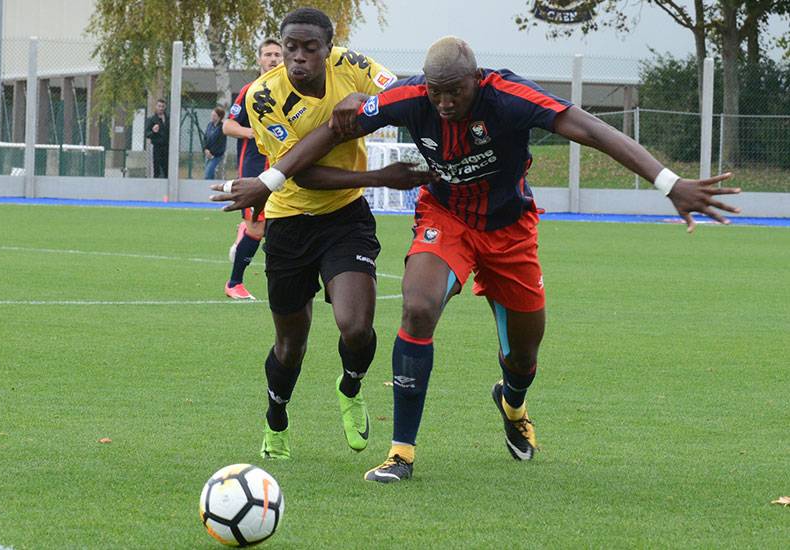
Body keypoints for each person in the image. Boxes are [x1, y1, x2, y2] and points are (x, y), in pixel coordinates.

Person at [212, 36, 742, 481]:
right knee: (417, 308)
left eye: (454, 92)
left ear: (475, 80)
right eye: (436, 93)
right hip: (446, 219)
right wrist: (268, 179)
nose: (443, 103)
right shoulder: (409, 97)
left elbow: (591, 130)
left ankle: (512, 400)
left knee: (523, 357)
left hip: (511, 231)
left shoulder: (509, 96)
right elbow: (332, 131)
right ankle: (401, 453)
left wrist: (667, 182)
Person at [211, 7, 432, 461]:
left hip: (345, 219)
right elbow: (302, 175)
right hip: (290, 222)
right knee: (290, 346)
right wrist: (380, 178)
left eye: (310, 49)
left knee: (356, 327)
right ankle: (276, 419)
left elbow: (406, 94)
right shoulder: (263, 97)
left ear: (328, 50)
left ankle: (349, 386)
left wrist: (372, 107)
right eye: (290, 48)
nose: (297, 58)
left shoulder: (351, 67)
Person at [221, 38, 282, 301]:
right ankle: (234, 283)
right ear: (259, 59)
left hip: (286, 168)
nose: (273, 59)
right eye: (268, 54)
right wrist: (255, 133)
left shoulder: (292, 89)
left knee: (283, 225)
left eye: (277, 54)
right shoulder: (251, 90)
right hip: (256, 169)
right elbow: (228, 126)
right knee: (258, 229)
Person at [145, 98, 169, 178]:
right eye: (159, 106)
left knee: (167, 169)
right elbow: (147, 134)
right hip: (157, 147)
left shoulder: (168, 118)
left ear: (165, 107)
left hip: (167, 147)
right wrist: (153, 131)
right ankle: (156, 187)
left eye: (162, 106)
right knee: (157, 169)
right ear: (156, 107)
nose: (161, 108)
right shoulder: (152, 119)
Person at [203, 106, 227, 180]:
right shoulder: (210, 125)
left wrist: (212, 153)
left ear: (219, 117)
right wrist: (205, 149)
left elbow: (220, 143)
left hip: (216, 155)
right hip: (208, 154)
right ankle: (210, 190)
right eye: (212, 115)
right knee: (210, 175)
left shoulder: (222, 127)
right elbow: (205, 138)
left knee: (208, 174)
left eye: (214, 116)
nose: (212, 117)